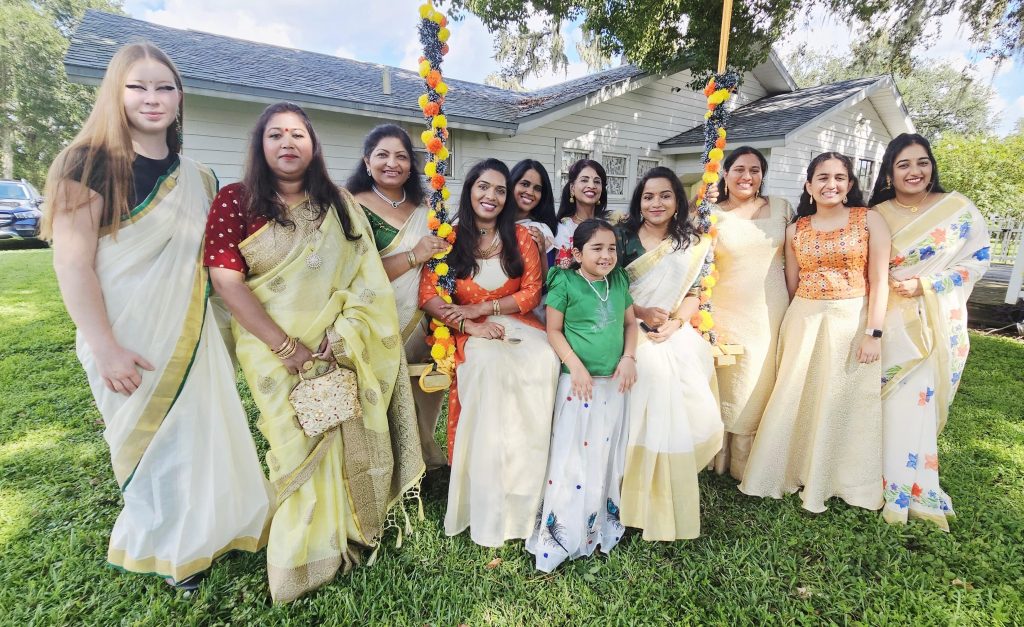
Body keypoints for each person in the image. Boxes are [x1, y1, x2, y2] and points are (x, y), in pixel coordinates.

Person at [42, 43, 271, 590]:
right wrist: (106, 348)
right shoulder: (86, 164)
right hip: (124, 333)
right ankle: (173, 546)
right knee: (154, 443)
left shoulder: (201, 178)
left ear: (179, 98)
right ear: (115, 94)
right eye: (138, 87)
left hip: (192, 332)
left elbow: (221, 267)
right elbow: (72, 264)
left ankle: (217, 527)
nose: (152, 98)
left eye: (164, 87)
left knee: (200, 432)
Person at [205, 102, 424, 603]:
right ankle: (300, 558)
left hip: (337, 343)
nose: (287, 143)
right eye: (276, 134)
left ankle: (348, 529)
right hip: (269, 350)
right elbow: (226, 282)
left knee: (345, 433)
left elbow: (365, 277)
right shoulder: (235, 200)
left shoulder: (338, 204)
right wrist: (287, 348)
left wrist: (343, 334)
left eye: (297, 134)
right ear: (260, 144)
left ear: (313, 145)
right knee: (291, 442)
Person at [418, 158, 560, 547]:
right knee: (490, 367)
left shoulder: (521, 237)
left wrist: (485, 307)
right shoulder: (449, 238)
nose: (491, 196)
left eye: (500, 190)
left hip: (517, 322)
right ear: (470, 190)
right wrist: (470, 325)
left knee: (543, 360)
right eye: (483, 187)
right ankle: (486, 491)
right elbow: (429, 295)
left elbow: (531, 292)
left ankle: (526, 493)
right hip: (469, 331)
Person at [739, 152, 891, 513]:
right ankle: (787, 471)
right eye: (822, 177)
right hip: (804, 320)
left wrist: (874, 332)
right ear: (809, 185)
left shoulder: (869, 220)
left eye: (839, 177)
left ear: (850, 184)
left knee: (842, 399)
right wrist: (805, 314)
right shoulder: (796, 229)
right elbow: (792, 283)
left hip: (852, 321)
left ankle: (837, 479)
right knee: (796, 395)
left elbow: (880, 279)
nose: (830, 184)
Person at [868, 133, 991, 530]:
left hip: (934, 323)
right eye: (903, 164)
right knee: (885, 402)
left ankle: (911, 487)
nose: (914, 171)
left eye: (922, 162)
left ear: (932, 166)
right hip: (887, 323)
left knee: (916, 403)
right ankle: (872, 478)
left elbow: (978, 260)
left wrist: (927, 284)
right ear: (890, 172)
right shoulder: (876, 213)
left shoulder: (957, 209)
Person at [616, 167, 723, 541]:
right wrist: (642, 314)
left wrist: (676, 323)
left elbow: (694, 293)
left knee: (698, 411)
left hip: (672, 330)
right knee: (653, 375)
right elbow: (607, 286)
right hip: (625, 325)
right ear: (639, 202)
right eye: (648, 196)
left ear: (678, 201)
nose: (656, 203)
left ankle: (662, 488)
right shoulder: (621, 236)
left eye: (665, 195)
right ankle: (629, 492)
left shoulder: (691, 242)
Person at [526, 218, 638, 572]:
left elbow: (630, 323)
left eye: (612, 248)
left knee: (604, 455)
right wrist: (575, 366)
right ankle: (563, 530)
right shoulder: (565, 281)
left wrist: (629, 358)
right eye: (597, 248)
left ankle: (597, 524)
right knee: (572, 455)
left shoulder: (618, 280)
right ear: (577, 253)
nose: (606, 255)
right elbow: (553, 330)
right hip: (579, 386)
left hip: (613, 385)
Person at [346, 124, 449, 469]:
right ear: (367, 161)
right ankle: (380, 463)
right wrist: (413, 255)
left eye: (401, 156)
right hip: (373, 317)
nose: (392, 163)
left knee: (420, 386)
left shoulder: (427, 207)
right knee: (378, 390)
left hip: (420, 317)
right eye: (383, 155)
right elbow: (353, 271)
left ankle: (418, 455)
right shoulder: (351, 206)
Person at [708, 147, 794, 480]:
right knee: (729, 381)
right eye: (739, 169)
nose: (747, 176)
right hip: (725, 308)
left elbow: (794, 259)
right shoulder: (711, 213)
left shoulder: (781, 208)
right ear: (725, 174)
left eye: (755, 170)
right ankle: (718, 457)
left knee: (762, 379)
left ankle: (750, 460)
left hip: (771, 309)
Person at [509, 159, 559, 321]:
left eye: (537, 188)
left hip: (527, 311)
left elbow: (546, 283)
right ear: (511, 184)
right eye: (525, 184)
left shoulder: (540, 230)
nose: (530, 192)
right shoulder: (492, 222)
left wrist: (542, 251)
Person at [553, 159, 609, 267]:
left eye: (597, 181)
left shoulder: (609, 224)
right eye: (584, 180)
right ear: (572, 188)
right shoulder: (565, 228)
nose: (591, 186)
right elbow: (563, 272)